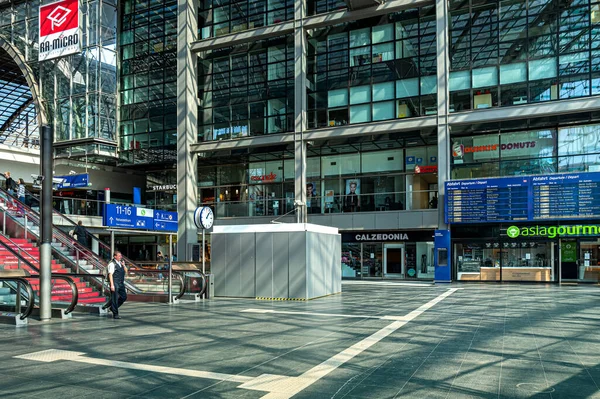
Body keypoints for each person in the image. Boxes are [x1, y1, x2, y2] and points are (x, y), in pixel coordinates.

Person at [108, 251, 128, 319]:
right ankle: (115, 314)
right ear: (115, 256)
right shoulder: (112, 264)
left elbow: (126, 271)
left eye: (121, 256)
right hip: (115, 282)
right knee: (115, 298)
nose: (120, 257)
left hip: (121, 283)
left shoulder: (120, 263)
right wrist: (112, 285)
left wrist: (124, 265)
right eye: (119, 256)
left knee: (124, 297)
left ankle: (112, 308)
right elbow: (110, 274)